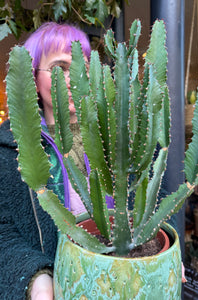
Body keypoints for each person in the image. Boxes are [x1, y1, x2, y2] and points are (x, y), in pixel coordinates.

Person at [0, 22, 92, 300]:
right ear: (33, 79)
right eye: (59, 68)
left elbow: (146, 207)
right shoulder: (9, 149)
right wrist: (36, 279)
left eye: (82, 68)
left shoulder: (117, 140)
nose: (73, 77)